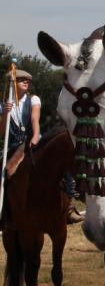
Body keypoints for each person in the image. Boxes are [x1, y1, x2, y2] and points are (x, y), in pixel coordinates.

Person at [1, 70, 83, 223]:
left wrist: (34, 138)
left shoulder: (33, 100)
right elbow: (2, 132)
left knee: (61, 160)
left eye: (27, 80)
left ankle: (69, 205)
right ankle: (5, 210)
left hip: (34, 141)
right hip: (13, 145)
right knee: (5, 170)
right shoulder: (3, 105)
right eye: (21, 80)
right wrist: (5, 113)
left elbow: (35, 120)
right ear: (11, 84)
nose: (26, 82)